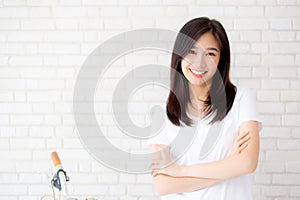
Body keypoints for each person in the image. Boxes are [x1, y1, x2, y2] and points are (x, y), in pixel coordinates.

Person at [148, 17, 262, 200]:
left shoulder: (241, 99)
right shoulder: (162, 114)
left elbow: (247, 163)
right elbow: (164, 185)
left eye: (210, 54)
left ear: (221, 60)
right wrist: (228, 166)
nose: (200, 63)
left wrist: (179, 171)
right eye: (192, 52)